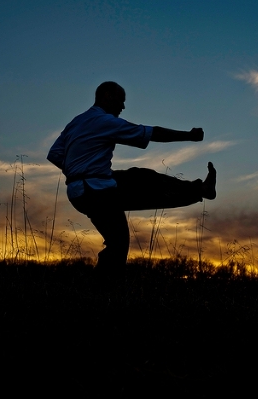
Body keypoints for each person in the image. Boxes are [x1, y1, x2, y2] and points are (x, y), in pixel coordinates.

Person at [47, 81, 217, 279]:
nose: (123, 107)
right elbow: (152, 133)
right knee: (120, 238)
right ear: (108, 96)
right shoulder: (105, 121)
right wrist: (189, 136)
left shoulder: (76, 122)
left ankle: (200, 190)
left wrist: (77, 171)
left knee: (137, 183)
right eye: (121, 100)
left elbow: (55, 154)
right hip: (97, 190)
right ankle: (103, 288)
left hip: (81, 190)